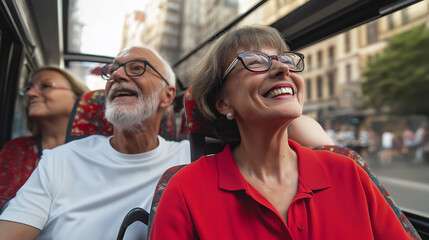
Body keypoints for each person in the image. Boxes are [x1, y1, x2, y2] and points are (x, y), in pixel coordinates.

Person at [0, 45, 334, 239]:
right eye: (112, 71)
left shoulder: (194, 159)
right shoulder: (61, 160)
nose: (116, 76)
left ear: (168, 96)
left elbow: (283, 124)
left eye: (135, 68)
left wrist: (286, 105)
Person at [150, 25, 413, 239]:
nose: (283, 68)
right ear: (223, 103)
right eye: (254, 62)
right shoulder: (184, 189)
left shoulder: (349, 172)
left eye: (285, 59)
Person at [0, 66, 89, 206]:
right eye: (28, 88)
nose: (31, 93)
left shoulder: (98, 149)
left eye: (46, 86)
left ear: (77, 97)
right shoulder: (15, 149)